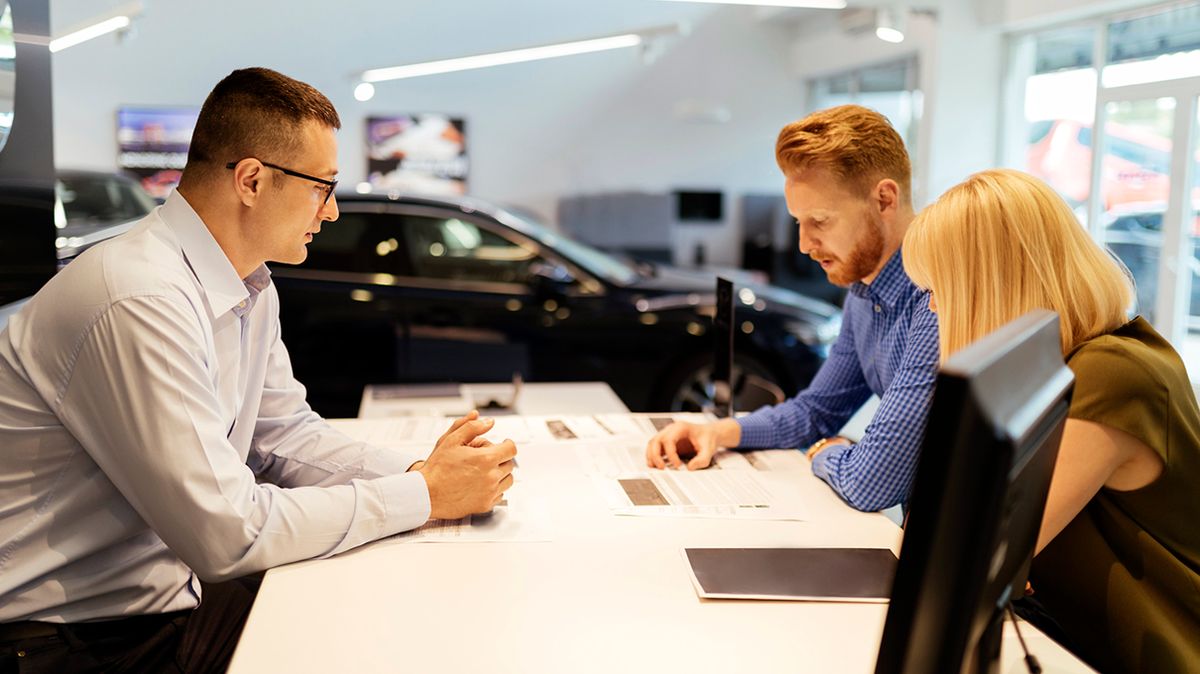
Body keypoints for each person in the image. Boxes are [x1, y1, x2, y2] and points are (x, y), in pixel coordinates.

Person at [0, 67, 516, 672]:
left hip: (162, 601)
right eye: (323, 186)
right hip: (67, 641)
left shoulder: (248, 284)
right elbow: (229, 534)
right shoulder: (139, 297)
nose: (330, 212)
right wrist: (423, 495)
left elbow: (282, 436)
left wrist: (421, 472)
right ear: (251, 179)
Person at [902, 168, 1200, 673]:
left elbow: (965, 557)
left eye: (938, 287)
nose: (933, 305)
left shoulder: (1110, 371)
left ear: (986, 286)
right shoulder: (1066, 366)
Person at [645, 105, 940, 512]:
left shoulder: (935, 297)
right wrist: (719, 432)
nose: (804, 244)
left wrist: (824, 450)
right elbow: (818, 409)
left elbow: (871, 484)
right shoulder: (863, 289)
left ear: (884, 199)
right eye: (799, 222)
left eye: (820, 220)